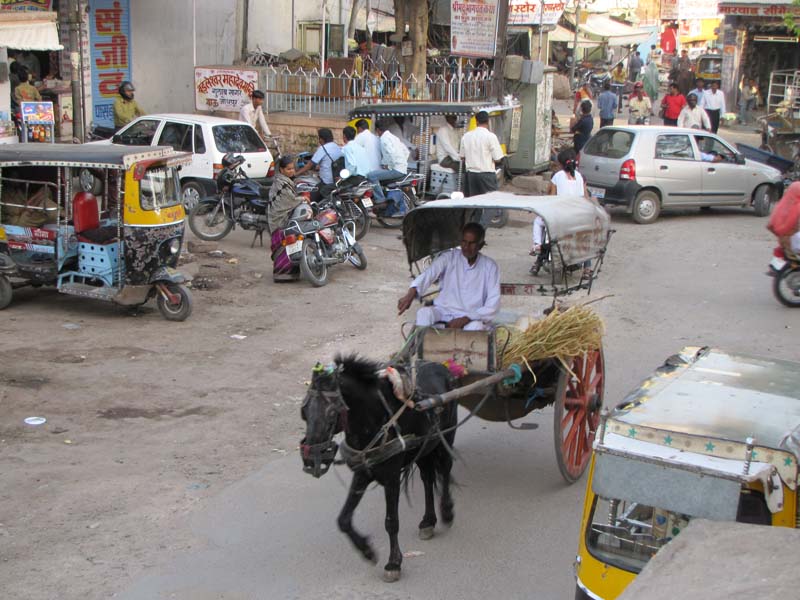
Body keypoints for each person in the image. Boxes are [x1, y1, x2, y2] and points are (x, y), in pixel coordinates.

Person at [397, 222, 500, 331]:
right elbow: (428, 275)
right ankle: (422, 345)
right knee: (424, 314)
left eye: (472, 243)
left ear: (481, 245)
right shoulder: (449, 258)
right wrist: (410, 294)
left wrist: (466, 318)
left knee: (476, 328)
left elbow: (492, 305)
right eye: (464, 242)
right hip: (444, 312)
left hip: (470, 318)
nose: (466, 247)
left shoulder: (490, 267)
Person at [531, 149, 589, 276]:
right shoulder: (580, 177)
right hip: (577, 218)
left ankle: (537, 247)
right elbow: (586, 198)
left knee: (538, 222)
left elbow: (551, 197)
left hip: (560, 216)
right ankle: (587, 269)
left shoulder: (557, 176)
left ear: (561, 164)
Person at [267, 155, 307, 282]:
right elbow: (289, 201)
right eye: (288, 169)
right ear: (282, 170)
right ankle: (282, 275)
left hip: (282, 216)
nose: (292, 171)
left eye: (293, 169)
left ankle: (291, 274)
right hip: (278, 219)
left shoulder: (285, 181)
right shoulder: (281, 184)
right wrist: (303, 199)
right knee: (284, 244)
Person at [459, 110, 504, 197]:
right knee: (490, 202)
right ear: (488, 121)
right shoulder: (491, 136)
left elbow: (462, 157)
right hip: (486, 175)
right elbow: (498, 158)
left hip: (471, 176)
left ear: (476, 121)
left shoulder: (466, 136)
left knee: (473, 203)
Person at [366, 117, 409, 205]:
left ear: (378, 130)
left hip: (396, 169)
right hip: (403, 167)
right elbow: (406, 151)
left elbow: (391, 153)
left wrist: (389, 166)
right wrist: (402, 162)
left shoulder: (383, 139)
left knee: (371, 175)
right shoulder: (393, 137)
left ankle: (380, 199)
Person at [295, 128, 343, 194]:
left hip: (325, 181)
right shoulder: (337, 147)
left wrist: (295, 174)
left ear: (322, 139)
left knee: (310, 192)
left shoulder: (323, 148)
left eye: (319, 138)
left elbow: (309, 165)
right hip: (336, 180)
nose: (319, 140)